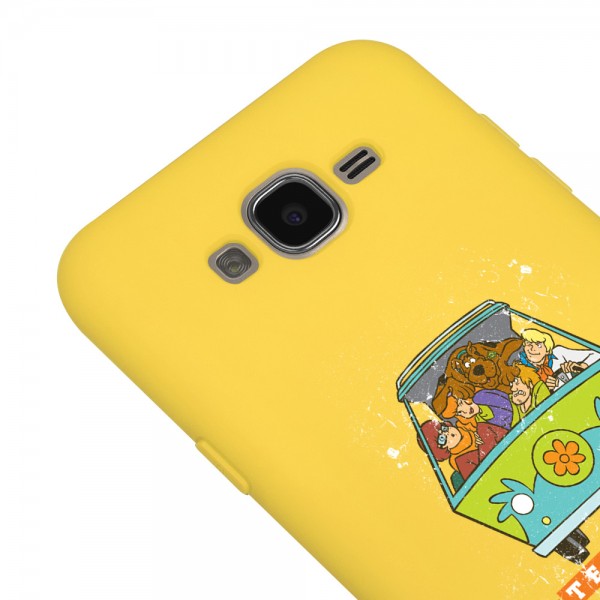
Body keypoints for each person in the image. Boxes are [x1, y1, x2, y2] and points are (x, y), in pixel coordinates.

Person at [518, 328, 599, 391]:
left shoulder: (559, 353)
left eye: (538, 345)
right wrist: (545, 390)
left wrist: (582, 366)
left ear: (547, 350)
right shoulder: (521, 370)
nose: (532, 349)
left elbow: (596, 354)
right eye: (529, 344)